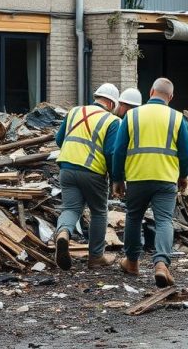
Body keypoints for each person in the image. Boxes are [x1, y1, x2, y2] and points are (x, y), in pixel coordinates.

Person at [111, 77, 188, 287]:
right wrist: (183, 176)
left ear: (150, 92)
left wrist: (117, 178)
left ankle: (131, 262)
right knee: (164, 220)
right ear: (171, 97)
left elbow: (118, 150)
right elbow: (186, 153)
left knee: (134, 218)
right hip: (166, 178)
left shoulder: (132, 116)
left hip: (138, 177)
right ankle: (161, 264)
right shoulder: (176, 118)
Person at [53, 83, 122, 270]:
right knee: (99, 212)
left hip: (66, 168)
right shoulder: (111, 121)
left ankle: (63, 233)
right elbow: (111, 152)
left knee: (70, 208)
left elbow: (59, 140)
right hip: (92, 172)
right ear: (110, 102)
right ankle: (96, 257)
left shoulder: (74, 111)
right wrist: (116, 179)